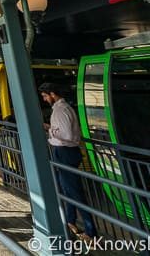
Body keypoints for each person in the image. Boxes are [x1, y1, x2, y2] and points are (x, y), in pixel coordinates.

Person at [39, 82, 98, 243]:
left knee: (75, 192)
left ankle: (91, 232)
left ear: (52, 94)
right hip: (66, 152)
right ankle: (70, 221)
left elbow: (68, 135)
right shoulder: (63, 109)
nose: (44, 100)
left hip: (65, 152)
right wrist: (51, 128)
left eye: (45, 96)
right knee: (67, 190)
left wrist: (50, 130)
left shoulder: (60, 110)